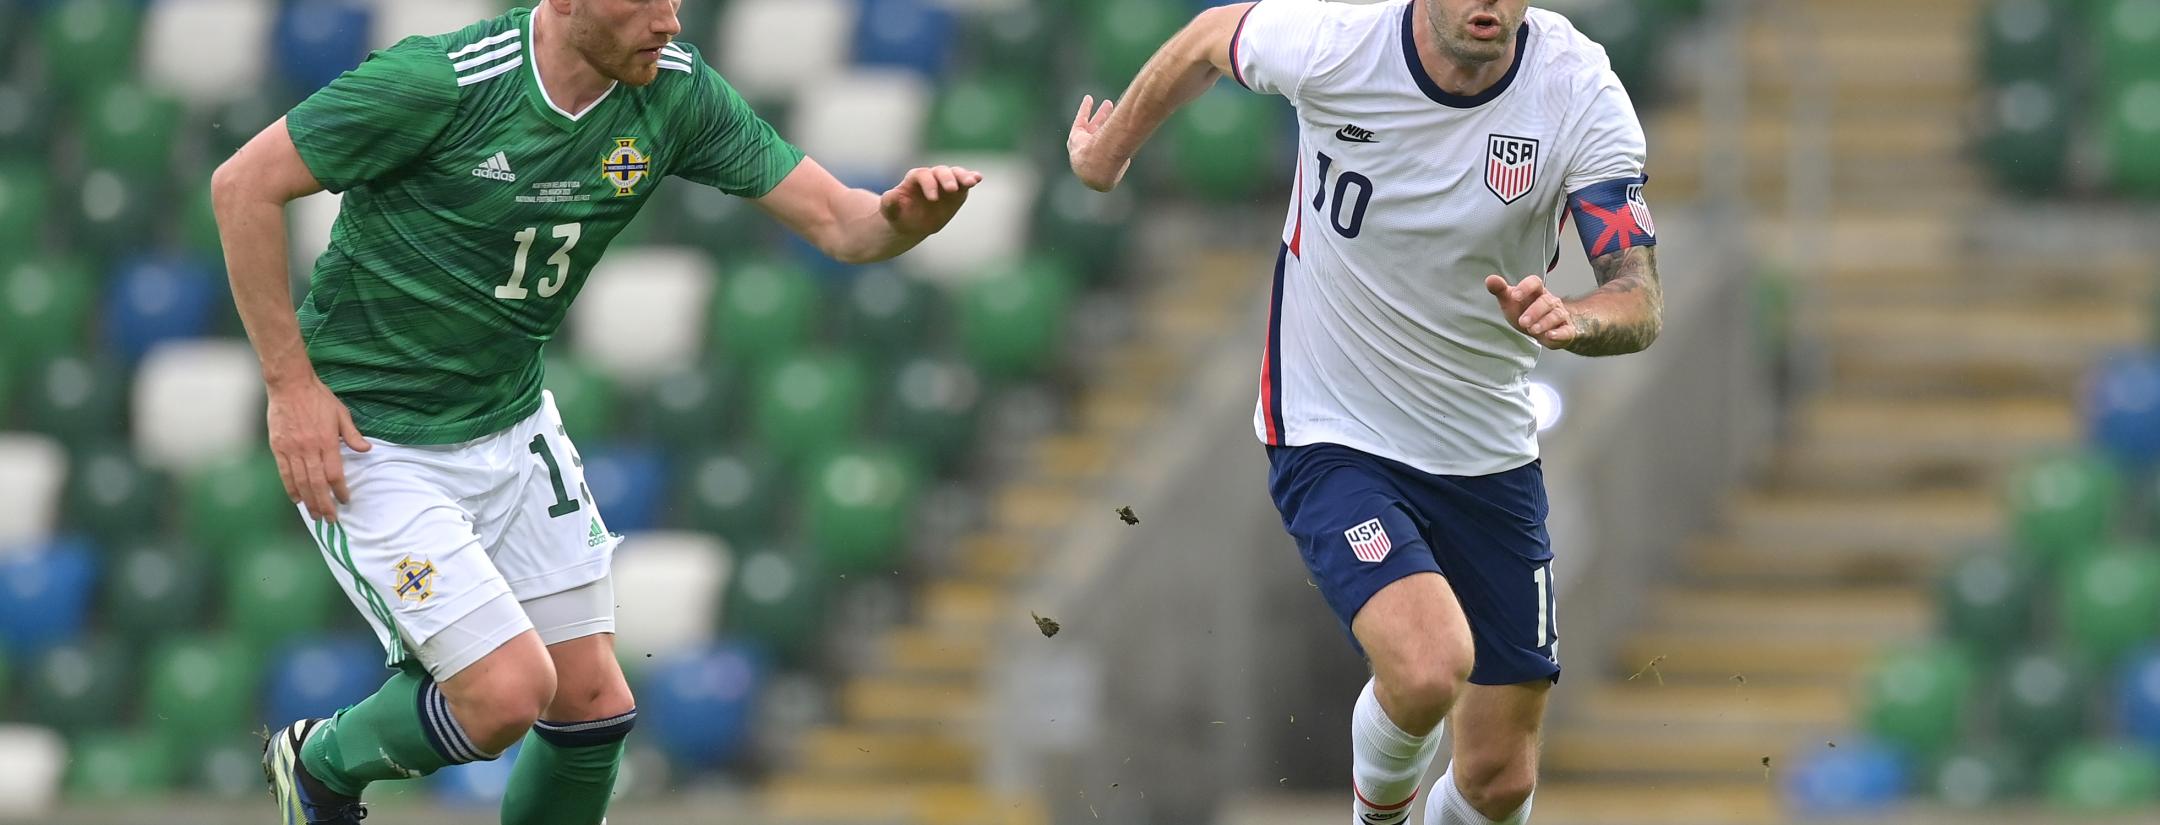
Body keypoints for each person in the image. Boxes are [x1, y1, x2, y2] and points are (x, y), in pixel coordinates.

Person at [210, 0, 981, 821]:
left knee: (591, 704)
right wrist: (291, 387)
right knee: (508, 694)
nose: (670, 21)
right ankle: (320, 764)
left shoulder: (674, 93)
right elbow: (242, 186)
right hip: (374, 439)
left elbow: (842, 222)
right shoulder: (439, 81)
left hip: (509, 421)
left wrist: (901, 220)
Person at [1066, 1, 1662, 823]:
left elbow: (1637, 292)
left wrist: (1582, 317)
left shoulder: (1578, 90)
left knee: (1500, 779)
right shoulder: (1336, 45)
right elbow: (1210, 37)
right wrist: (1107, 152)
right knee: (1427, 666)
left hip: (1486, 450)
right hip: (1333, 432)